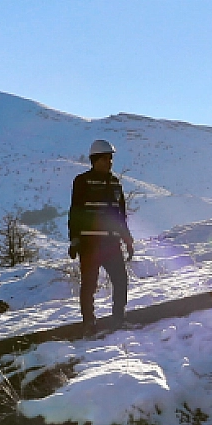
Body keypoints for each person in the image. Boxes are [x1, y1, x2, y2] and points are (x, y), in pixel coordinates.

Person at [67, 138, 134, 335]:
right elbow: (75, 212)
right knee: (89, 284)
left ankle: (118, 320)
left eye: (110, 158)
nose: (109, 162)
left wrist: (128, 239)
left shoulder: (115, 183)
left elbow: (120, 215)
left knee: (121, 280)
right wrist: (75, 239)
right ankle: (89, 323)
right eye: (104, 158)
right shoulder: (82, 181)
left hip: (111, 243)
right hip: (89, 243)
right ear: (94, 160)